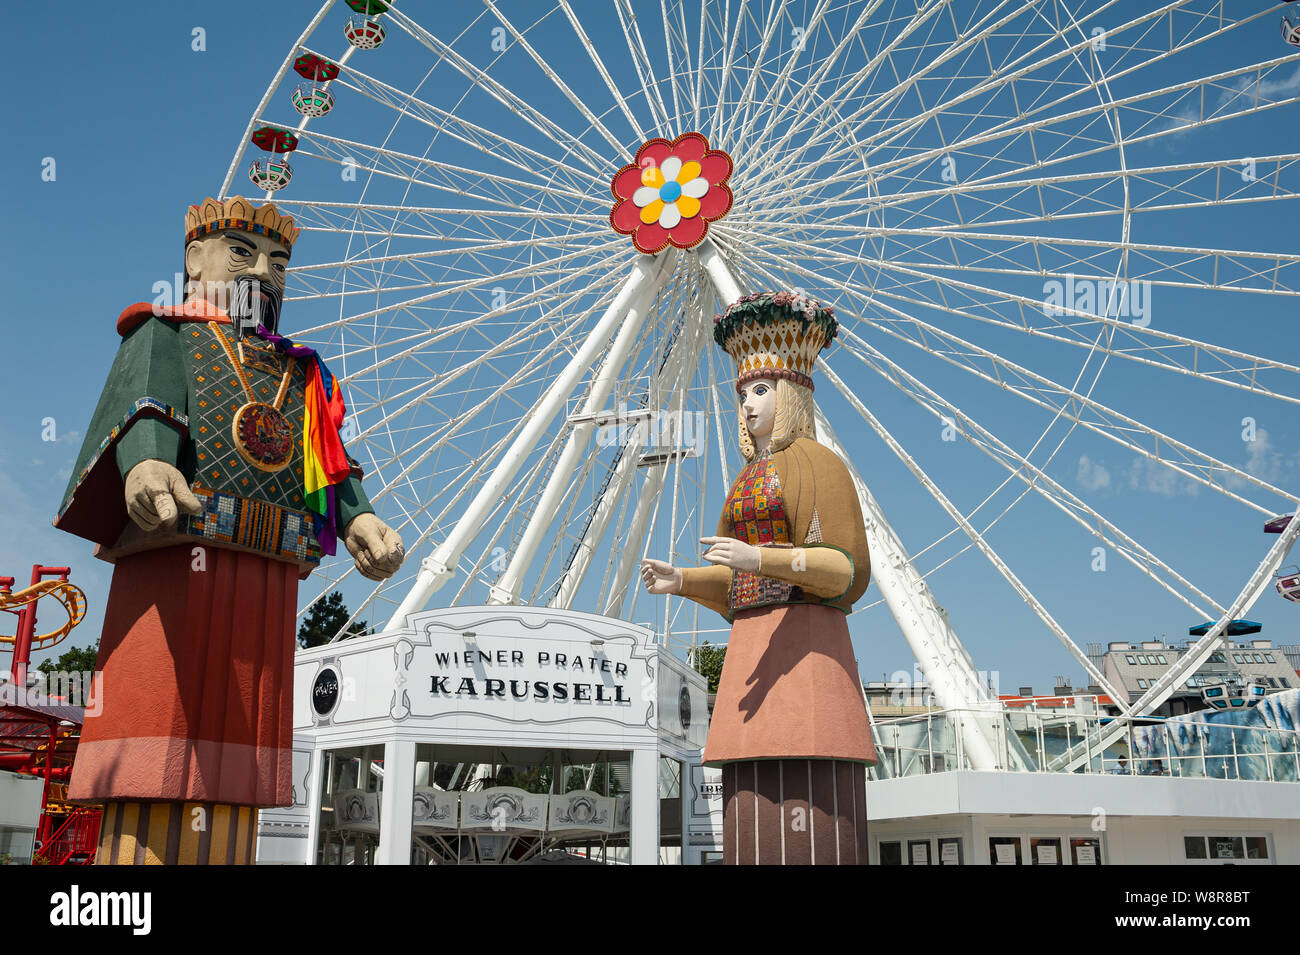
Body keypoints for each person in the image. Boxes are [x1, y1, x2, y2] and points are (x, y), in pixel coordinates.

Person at [54, 196, 404, 864]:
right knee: (157, 735)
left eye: (278, 263)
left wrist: (357, 514)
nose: (265, 274)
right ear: (194, 259)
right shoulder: (164, 330)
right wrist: (147, 463)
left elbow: (326, 456)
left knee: (246, 752)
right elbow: (144, 405)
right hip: (176, 559)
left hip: (268, 576)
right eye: (244, 253)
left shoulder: (302, 373)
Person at [640, 290, 875, 865]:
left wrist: (762, 559)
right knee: (749, 804)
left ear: (791, 393)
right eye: (742, 392)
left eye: (761, 391)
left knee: (806, 809)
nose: (746, 405)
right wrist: (685, 581)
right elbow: (739, 588)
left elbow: (846, 571)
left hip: (808, 654)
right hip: (752, 656)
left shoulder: (820, 466)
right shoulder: (748, 477)